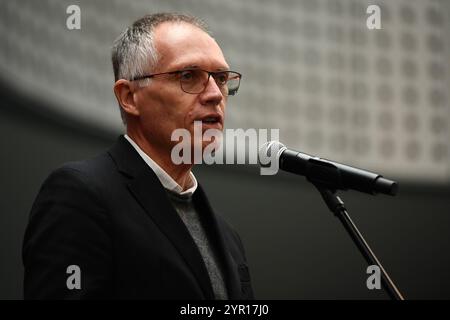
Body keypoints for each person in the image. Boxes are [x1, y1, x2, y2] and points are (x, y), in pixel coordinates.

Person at [22, 13, 254, 300]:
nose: (215, 95)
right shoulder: (81, 195)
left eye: (220, 78)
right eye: (187, 76)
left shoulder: (227, 235)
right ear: (129, 97)